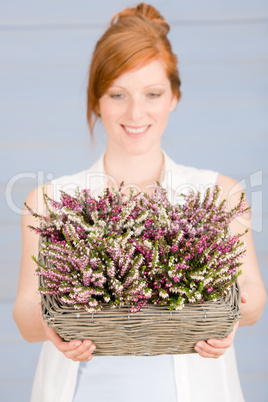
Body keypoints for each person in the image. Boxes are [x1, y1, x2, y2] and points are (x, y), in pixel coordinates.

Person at [13, 3, 266, 402]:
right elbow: (26, 317)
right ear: (97, 100)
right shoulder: (49, 201)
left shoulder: (220, 194)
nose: (136, 112)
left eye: (152, 93)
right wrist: (51, 325)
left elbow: (253, 292)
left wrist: (230, 313)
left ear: (174, 97)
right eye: (117, 94)